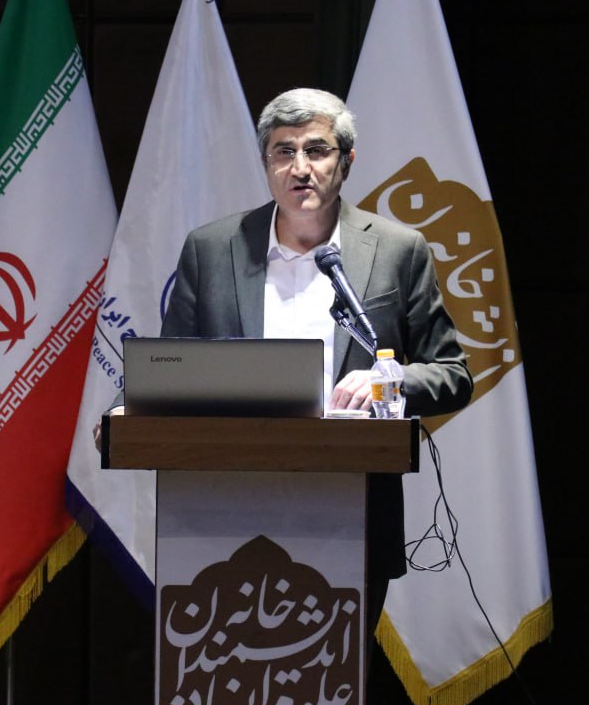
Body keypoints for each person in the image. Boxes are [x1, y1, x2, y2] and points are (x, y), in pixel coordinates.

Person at [154, 87, 472, 626]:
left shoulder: (397, 251)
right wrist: (124, 410)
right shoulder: (211, 248)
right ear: (266, 162)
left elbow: (452, 374)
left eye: (317, 150)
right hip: (226, 510)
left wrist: (388, 382)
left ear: (346, 161)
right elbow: (170, 367)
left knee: (341, 674)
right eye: (284, 151)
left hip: (353, 510)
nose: (300, 168)